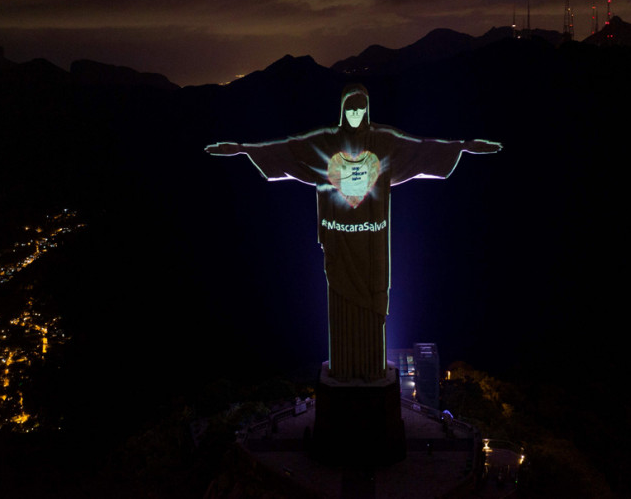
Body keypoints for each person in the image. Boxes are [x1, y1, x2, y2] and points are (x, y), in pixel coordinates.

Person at [206, 84, 501, 382]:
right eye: (351, 109)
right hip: (339, 238)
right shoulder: (326, 142)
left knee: (372, 304)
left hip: (373, 241)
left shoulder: (383, 141)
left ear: (368, 110)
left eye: (361, 109)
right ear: (343, 111)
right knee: (341, 304)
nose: (356, 115)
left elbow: (421, 148)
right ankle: (344, 368)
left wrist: (462, 146)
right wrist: (244, 149)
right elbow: (289, 149)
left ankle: (371, 369)